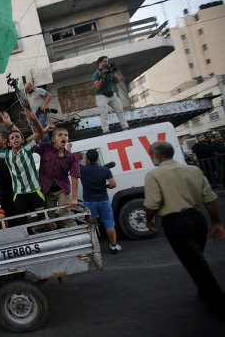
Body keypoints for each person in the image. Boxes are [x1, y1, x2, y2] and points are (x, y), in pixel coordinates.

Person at [144, 141, 225, 312]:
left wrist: (148, 219)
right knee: (197, 258)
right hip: (198, 219)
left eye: (151, 154)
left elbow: (153, 203)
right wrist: (216, 222)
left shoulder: (154, 175)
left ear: (158, 155)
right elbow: (209, 199)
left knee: (195, 262)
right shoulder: (193, 170)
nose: (151, 158)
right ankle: (205, 292)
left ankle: (216, 301)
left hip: (176, 223)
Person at [0, 109, 55, 227]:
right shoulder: (1, 154)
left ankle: (47, 234)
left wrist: (13, 124)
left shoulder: (20, 149)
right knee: (16, 218)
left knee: (42, 217)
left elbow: (26, 136)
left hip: (27, 190)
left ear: (5, 142)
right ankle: (26, 234)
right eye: (12, 138)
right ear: (9, 142)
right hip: (11, 191)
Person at [79, 149, 122, 253]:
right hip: (103, 201)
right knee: (109, 224)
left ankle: (94, 247)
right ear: (97, 158)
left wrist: (69, 149)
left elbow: (72, 162)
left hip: (89, 203)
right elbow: (113, 184)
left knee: (91, 225)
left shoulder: (82, 170)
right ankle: (113, 246)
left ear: (87, 159)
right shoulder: (105, 170)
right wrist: (105, 186)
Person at [36, 127, 79, 228]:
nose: (63, 136)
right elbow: (28, 143)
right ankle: (55, 238)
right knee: (49, 220)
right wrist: (43, 131)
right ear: (53, 139)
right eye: (60, 135)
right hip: (47, 191)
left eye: (66, 135)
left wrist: (74, 198)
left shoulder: (71, 157)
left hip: (62, 190)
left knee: (64, 214)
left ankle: (75, 236)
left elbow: (75, 176)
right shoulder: (45, 148)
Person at [92, 56, 129, 134]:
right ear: (100, 63)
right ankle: (106, 131)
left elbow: (117, 81)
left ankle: (125, 127)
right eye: (105, 62)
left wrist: (113, 74)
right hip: (101, 95)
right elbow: (98, 86)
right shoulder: (96, 74)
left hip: (111, 94)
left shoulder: (110, 71)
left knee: (120, 110)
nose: (107, 63)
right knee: (104, 114)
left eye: (107, 61)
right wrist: (103, 77)